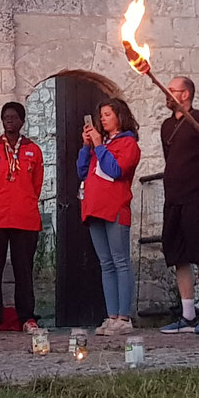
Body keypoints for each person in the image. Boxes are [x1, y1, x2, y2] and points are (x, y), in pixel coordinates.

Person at [158, 77, 199, 334]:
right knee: (179, 256)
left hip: (196, 196)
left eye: (171, 90)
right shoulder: (166, 126)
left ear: (185, 94)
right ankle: (187, 315)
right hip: (173, 197)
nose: (167, 93)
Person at [0, 102, 44, 334]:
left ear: (22, 121)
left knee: (23, 270)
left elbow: (37, 185)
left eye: (14, 117)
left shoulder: (33, 150)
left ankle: (27, 318)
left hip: (24, 219)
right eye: (6, 117)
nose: (10, 120)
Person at [78, 98, 142, 335]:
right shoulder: (100, 144)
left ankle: (124, 317)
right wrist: (87, 146)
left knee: (120, 261)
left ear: (119, 117)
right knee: (106, 264)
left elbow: (115, 171)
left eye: (107, 114)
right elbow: (82, 170)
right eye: (101, 115)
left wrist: (99, 146)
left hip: (115, 207)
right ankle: (112, 314)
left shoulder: (128, 144)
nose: (103, 119)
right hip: (94, 207)